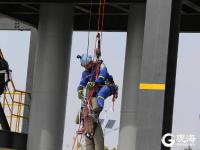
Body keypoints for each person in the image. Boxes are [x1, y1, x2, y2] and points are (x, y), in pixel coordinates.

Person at [76, 53, 118, 150]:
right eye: (85, 66)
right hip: (96, 89)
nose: (87, 67)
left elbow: (102, 76)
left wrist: (95, 82)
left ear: (91, 62)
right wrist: (79, 90)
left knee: (100, 96)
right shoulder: (85, 73)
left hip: (107, 86)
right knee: (86, 99)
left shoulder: (101, 65)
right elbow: (82, 83)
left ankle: (95, 112)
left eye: (88, 65)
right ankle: (84, 119)